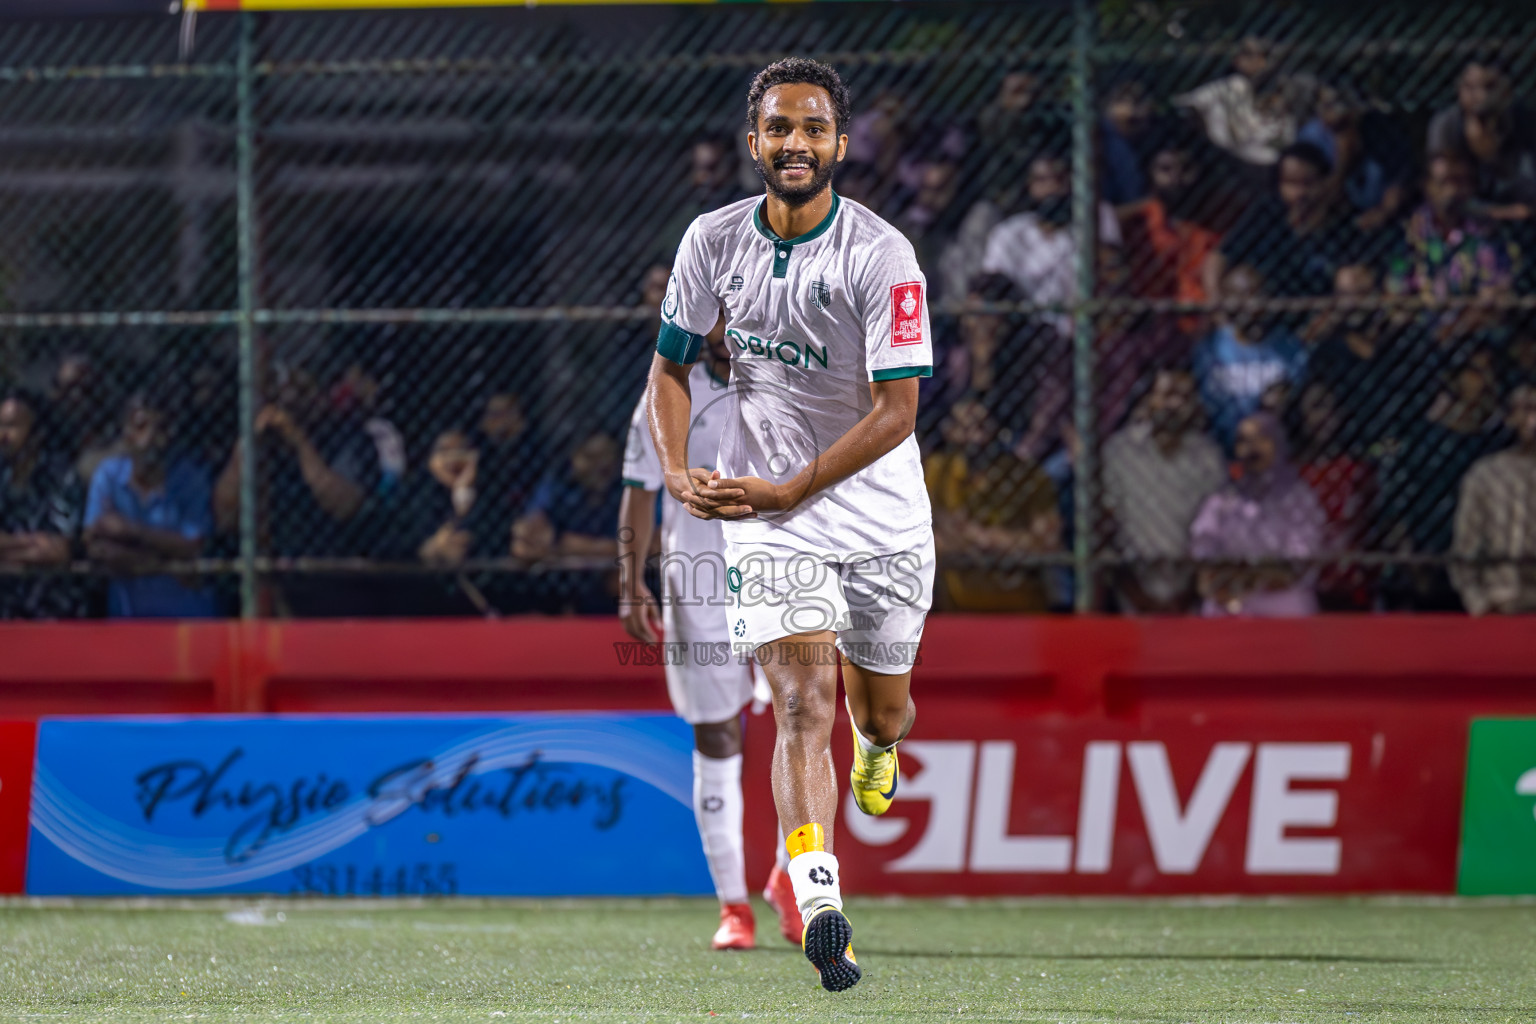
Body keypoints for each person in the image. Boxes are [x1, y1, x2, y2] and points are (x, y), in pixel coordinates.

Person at [645, 57, 935, 991]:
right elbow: (671, 368)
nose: (796, 144)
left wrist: (792, 488)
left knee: (874, 710)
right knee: (804, 703)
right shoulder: (711, 239)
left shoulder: (883, 255)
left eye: (814, 129)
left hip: (880, 516)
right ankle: (820, 904)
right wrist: (683, 471)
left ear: (841, 145)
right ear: (754, 142)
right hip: (770, 518)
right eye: (780, 128)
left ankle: (881, 749)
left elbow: (897, 413)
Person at [617, 320, 794, 951]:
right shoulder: (667, 391)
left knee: (804, 719)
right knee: (719, 733)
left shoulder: (792, 379)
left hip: (781, 570)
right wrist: (630, 578)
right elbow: (638, 490)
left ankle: (789, 881)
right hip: (698, 585)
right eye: (715, 313)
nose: (726, 326)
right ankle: (734, 907)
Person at [1102, 367, 1227, 613]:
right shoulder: (1120, 451)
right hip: (1133, 588)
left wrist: (1189, 594)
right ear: (1150, 399)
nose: (1176, 403)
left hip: (1190, 592)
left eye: (1185, 396)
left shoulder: (1208, 457)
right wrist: (1134, 593)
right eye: (1168, 394)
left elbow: (1218, 528)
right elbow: (1106, 526)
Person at [84, 391, 217, 618]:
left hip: (187, 618)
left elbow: (192, 545)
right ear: (126, 434)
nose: (151, 438)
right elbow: (94, 543)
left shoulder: (189, 479)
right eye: (141, 427)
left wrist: (129, 530)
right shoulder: (108, 475)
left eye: (161, 428)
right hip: (127, 619)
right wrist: (165, 563)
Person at [923, 396, 1059, 611]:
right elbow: (924, 540)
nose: (976, 438)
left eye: (982, 427)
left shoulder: (1026, 475)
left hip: (1020, 608)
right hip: (957, 609)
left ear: (997, 429)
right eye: (965, 428)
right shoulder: (936, 471)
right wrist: (1002, 542)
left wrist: (979, 537)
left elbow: (1048, 543)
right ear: (949, 431)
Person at [1190, 411, 1327, 617]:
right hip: (1229, 594)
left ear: (1277, 444)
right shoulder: (1222, 498)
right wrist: (1222, 577)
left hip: (1281, 599)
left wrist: (1252, 576)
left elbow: (1300, 559)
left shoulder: (1298, 497)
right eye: (1244, 441)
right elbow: (1203, 547)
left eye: (1261, 439)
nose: (1252, 448)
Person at [981, 152, 1123, 339]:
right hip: (1022, 332)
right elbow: (991, 285)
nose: (1052, 188)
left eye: (1059, 179)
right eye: (1041, 180)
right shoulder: (1009, 234)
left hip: (1080, 330)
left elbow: (1112, 272)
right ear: (1029, 185)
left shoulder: (1095, 219)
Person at [1204, 141, 1369, 300]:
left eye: (1308, 183)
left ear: (1324, 182)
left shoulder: (1340, 223)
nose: (1300, 193)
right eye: (1291, 183)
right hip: (1265, 306)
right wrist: (1216, 303)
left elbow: (1358, 271)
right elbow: (1218, 257)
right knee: (1241, 280)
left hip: (1321, 309)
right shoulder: (1267, 213)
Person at [1386, 151, 1518, 346]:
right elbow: (1395, 288)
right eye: (1444, 183)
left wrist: (1454, 328)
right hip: (1422, 335)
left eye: (1460, 182)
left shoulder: (1487, 232)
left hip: (1475, 334)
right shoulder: (1411, 233)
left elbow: (1495, 294)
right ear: (1428, 187)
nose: (1452, 192)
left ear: (1472, 187)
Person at [1194, 263, 1308, 450]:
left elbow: (1297, 396)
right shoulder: (1210, 348)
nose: (1249, 306)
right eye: (1238, 297)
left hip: (1275, 445)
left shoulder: (1288, 347)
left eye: (1256, 295)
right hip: (1221, 445)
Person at [511, 431, 622, 614]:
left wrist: (571, 545)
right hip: (561, 579)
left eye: (607, 456)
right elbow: (529, 535)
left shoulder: (628, 488)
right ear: (574, 458)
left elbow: (651, 543)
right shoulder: (558, 486)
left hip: (613, 577)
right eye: (591, 457)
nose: (601, 465)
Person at [0, 388, 86, 619]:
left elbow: (59, 550)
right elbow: (45, 548)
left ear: (37, 433)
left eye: (12, 426)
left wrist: (6, 547)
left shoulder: (60, 477)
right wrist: (31, 544)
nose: (3, 436)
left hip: (51, 607)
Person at [1451, 384, 1536, 615]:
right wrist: (1479, 604)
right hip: (1500, 603)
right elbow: (1464, 549)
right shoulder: (1486, 475)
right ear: (1511, 417)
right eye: (1528, 409)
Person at [1297, 79, 1413, 232]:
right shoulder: (1312, 135)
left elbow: (1401, 183)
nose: (1325, 112)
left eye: (1333, 105)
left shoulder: (1378, 129)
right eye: (1322, 105)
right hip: (1339, 219)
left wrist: (1383, 212)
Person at [1426, 58, 1536, 218]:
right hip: (1473, 224)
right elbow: (1442, 192)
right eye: (1470, 87)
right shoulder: (1447, 125)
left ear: (1507, 92)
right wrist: (1503, 213)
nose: (1480, 96)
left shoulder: (1526, 122)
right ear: (1459, 90)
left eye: (1490, 87)